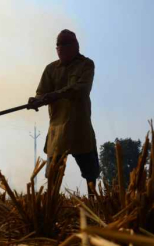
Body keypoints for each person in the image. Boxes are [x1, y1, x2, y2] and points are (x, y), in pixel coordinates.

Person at [28, 29, 99, 197]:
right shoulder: (50, 69)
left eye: (65, 44)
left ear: (75, 46)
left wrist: (56, 95)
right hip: (57, 129)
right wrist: (36, 100)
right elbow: (41, 92)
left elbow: (82, 89)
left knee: (90, 172)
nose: (61, 48)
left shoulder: (86, 64)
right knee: (53, 176)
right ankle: (51, 205)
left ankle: (94, 204)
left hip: (80, 127)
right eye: (58, 45)